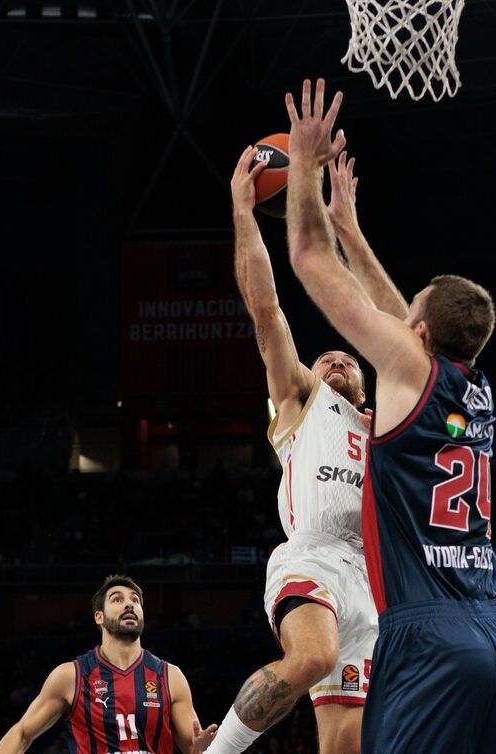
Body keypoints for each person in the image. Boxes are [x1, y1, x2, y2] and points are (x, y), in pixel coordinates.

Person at [282, 77, 496, 753]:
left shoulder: (411, 367)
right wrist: (352, 227)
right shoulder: (476, 384)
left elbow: (309, 258)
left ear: (423, 336)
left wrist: (305, 170)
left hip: (430, 636)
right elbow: (399, 315)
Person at [209, 145, 387, 754]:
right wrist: (242, 212)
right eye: (325, 356)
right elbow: (266, 309)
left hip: (373, 581)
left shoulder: (388, 428)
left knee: (346, 742)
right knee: (312, 654)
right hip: (311, 557)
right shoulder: (304, 403)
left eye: (350, 358)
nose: (336, 357)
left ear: (367, 383)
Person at [0, 575, 215, 754]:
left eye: (135, 600)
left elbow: (193, 748)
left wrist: (201, 749)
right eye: (117, 599)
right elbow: (22, 734)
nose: (129, 604)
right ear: (99, 617)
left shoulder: (170, 677)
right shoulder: (71, 676)